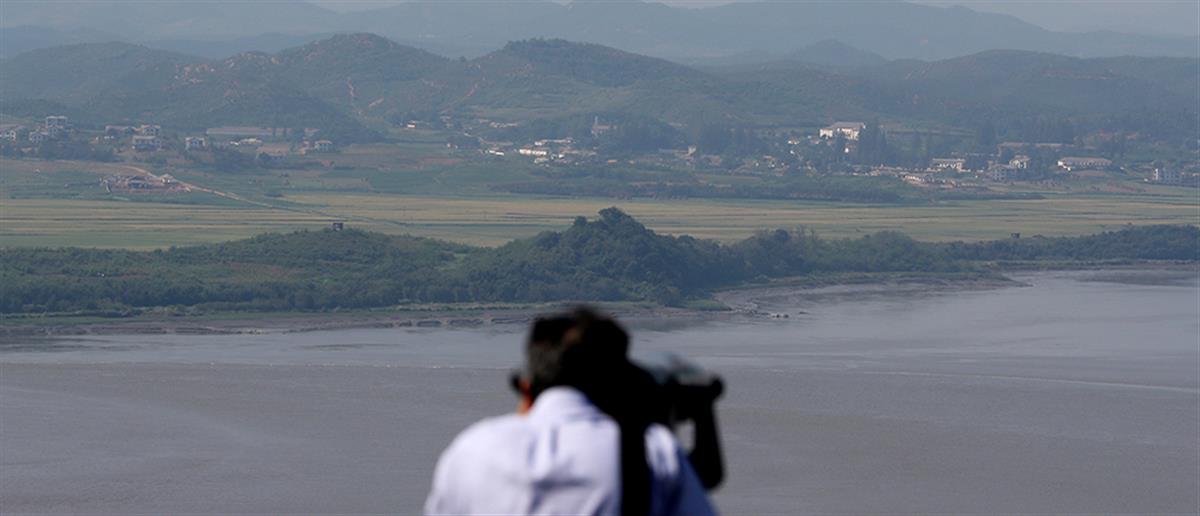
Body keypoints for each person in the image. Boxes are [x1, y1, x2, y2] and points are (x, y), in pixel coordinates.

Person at [424, 307, 718, 516]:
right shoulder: (653, 452)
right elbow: (706, 479)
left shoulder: (471, 449)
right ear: (618, 385)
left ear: (526, 386)